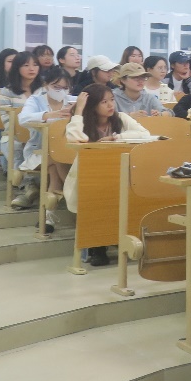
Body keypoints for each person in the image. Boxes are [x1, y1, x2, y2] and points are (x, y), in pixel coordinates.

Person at [67, 83, 151, 264]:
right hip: (89, 176)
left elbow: (145, 134)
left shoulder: (121, 118)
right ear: (92, 106)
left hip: (118, 173)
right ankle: (98, 247)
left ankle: (120, 239)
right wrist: (79, 110)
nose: (110, 105)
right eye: (104, 102)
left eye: (112, 100)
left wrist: (116, 137)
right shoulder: (82, 122)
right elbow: (75, 138)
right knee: (97, 199)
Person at [19, 66, 73, 228]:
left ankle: (48, 216)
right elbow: (23, 119)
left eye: (65, 88)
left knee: (55, 166)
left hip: (67, 153)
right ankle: (72, 191)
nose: (61, 91)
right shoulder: (35, 100)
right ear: (46, 85)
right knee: (55, 156)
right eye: (56, 87)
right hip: (37, 152)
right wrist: (48, 115)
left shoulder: (72, 101)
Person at [0, 52, 42, 207]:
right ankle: (29, 186)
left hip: (39, 136)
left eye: (35, 65)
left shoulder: (44, 91)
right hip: (14, 135)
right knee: (15, 147)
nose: (32, 68)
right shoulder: (7, 92)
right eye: (26, 65)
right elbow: (6, 120)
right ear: (17, 68)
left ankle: (29, 192)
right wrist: (23, 134)